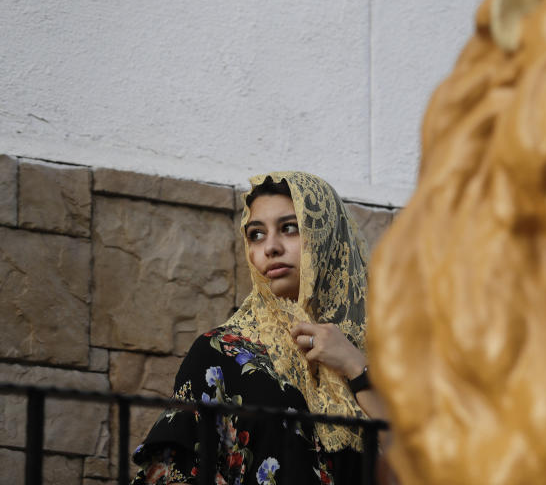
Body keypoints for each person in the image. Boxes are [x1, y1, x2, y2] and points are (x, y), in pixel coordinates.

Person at [132, 172, 386, 485]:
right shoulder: (220, 355)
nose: (271, 248)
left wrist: (354, 365)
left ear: (327, 236)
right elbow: (175, 474)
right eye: (256, 234)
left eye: (290, 229)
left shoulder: (384, 354)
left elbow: (422, 467)